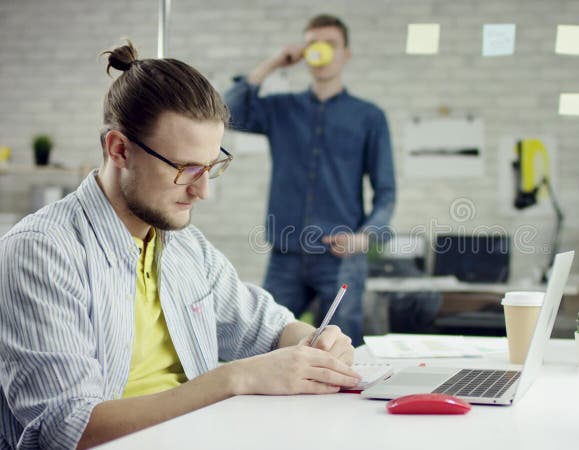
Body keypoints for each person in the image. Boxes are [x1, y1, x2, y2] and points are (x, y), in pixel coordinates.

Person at [0, 42, 360, 450]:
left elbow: (270, 328)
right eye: (185, 168)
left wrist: (318, 341)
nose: (202, 190)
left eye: (210, 167)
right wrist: (234, 379)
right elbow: (68, 429)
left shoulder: (186, 246)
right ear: (119, 149)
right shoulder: (40, 253)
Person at [224, 14, 396, 347]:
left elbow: (386, 192)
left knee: (342, 348)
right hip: (285, 254)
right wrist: (274, 62)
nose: (323, 51)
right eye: (314, 44)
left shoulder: (369, 117)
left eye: (331, 44)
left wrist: (365, 238)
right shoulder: (281, 109)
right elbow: (227, 111)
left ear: (346, 53)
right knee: (265, 343)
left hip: (341, 259)